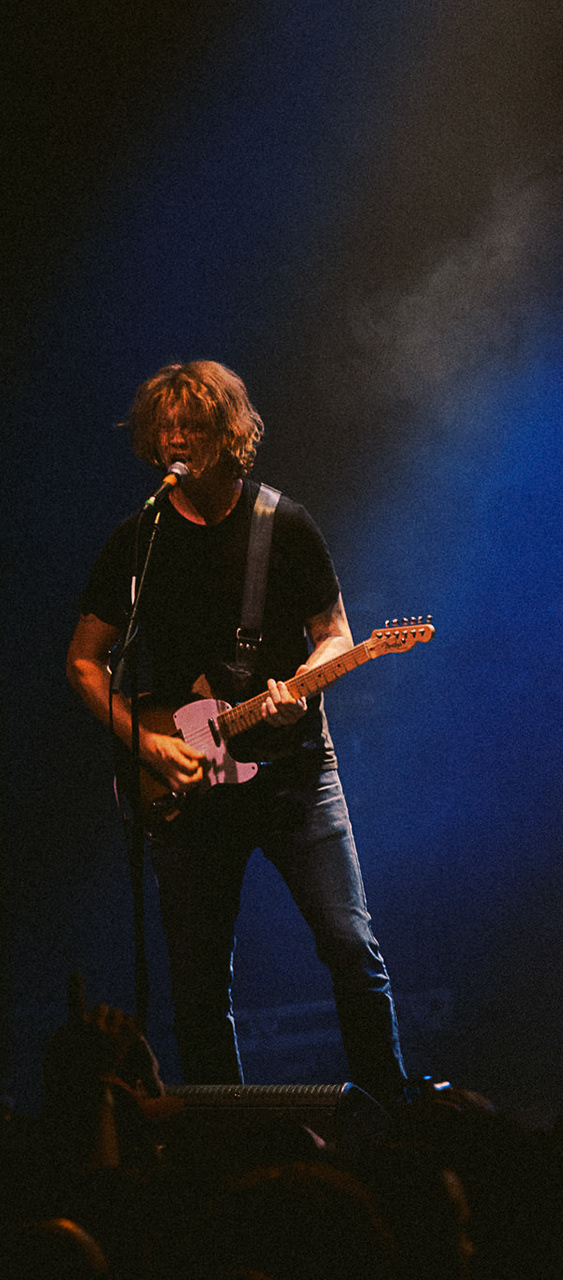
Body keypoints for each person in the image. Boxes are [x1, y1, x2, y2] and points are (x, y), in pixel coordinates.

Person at [66, 360, 405, 1100]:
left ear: (228, 434)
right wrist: (144, 742)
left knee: (351, 947)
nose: (175, 439)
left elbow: (336, 635)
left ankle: (393, 1117)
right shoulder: (140, 539)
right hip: (188, 784)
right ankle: (225, 1142)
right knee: (197, 985)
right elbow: (86, 661)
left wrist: (300, 685)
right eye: (165, 428)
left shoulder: (282, 524)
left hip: (293, 773)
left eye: (192, 426)